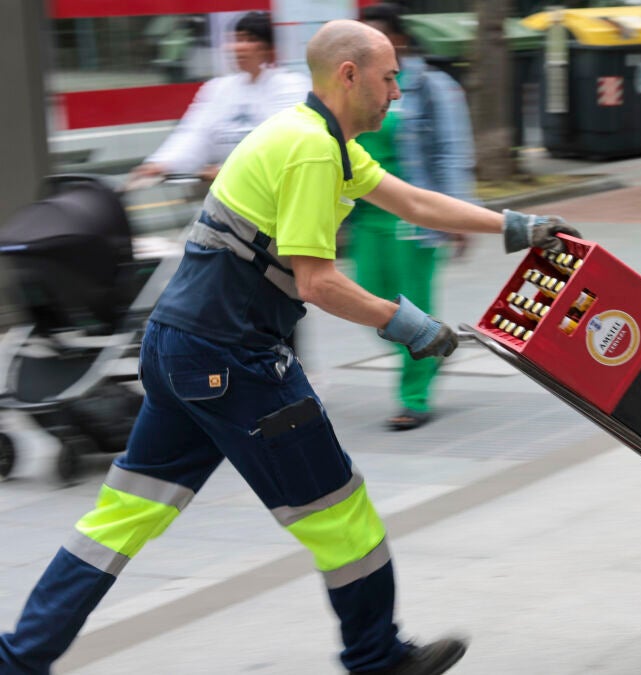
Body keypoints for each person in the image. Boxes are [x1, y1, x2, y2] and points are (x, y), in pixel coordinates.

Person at [0, 19, 579, 675]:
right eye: (389, 78)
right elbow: (317, 283)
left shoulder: (313, 136)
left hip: (179, 349)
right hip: (233, 359)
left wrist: (517, 227)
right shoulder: (311, 151)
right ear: (349, 75)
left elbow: (413, 202)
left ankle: (18, 659)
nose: (397, 93)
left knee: (120, 520)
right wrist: (410, 326)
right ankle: (377, 658)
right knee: (341, 516)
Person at [352, 3, 475, 431]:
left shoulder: (431, 85)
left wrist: (457, 215)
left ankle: (414, 396)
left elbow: (451, 152)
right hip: (366, 215)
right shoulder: (357, 87)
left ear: (399, 40)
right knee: (367, 303)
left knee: (412, 306)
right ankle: (432, 346)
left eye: (378, 38)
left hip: (412, 216)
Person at [130, 11, 310, 183]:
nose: (238, 47)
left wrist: (227, 169)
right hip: (228, 192)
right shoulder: (218, 88)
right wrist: (161, 164)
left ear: (269, 48)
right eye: (236, 39)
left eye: (250, 40)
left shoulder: (291, 87)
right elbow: (195, 134)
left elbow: (280, 142)